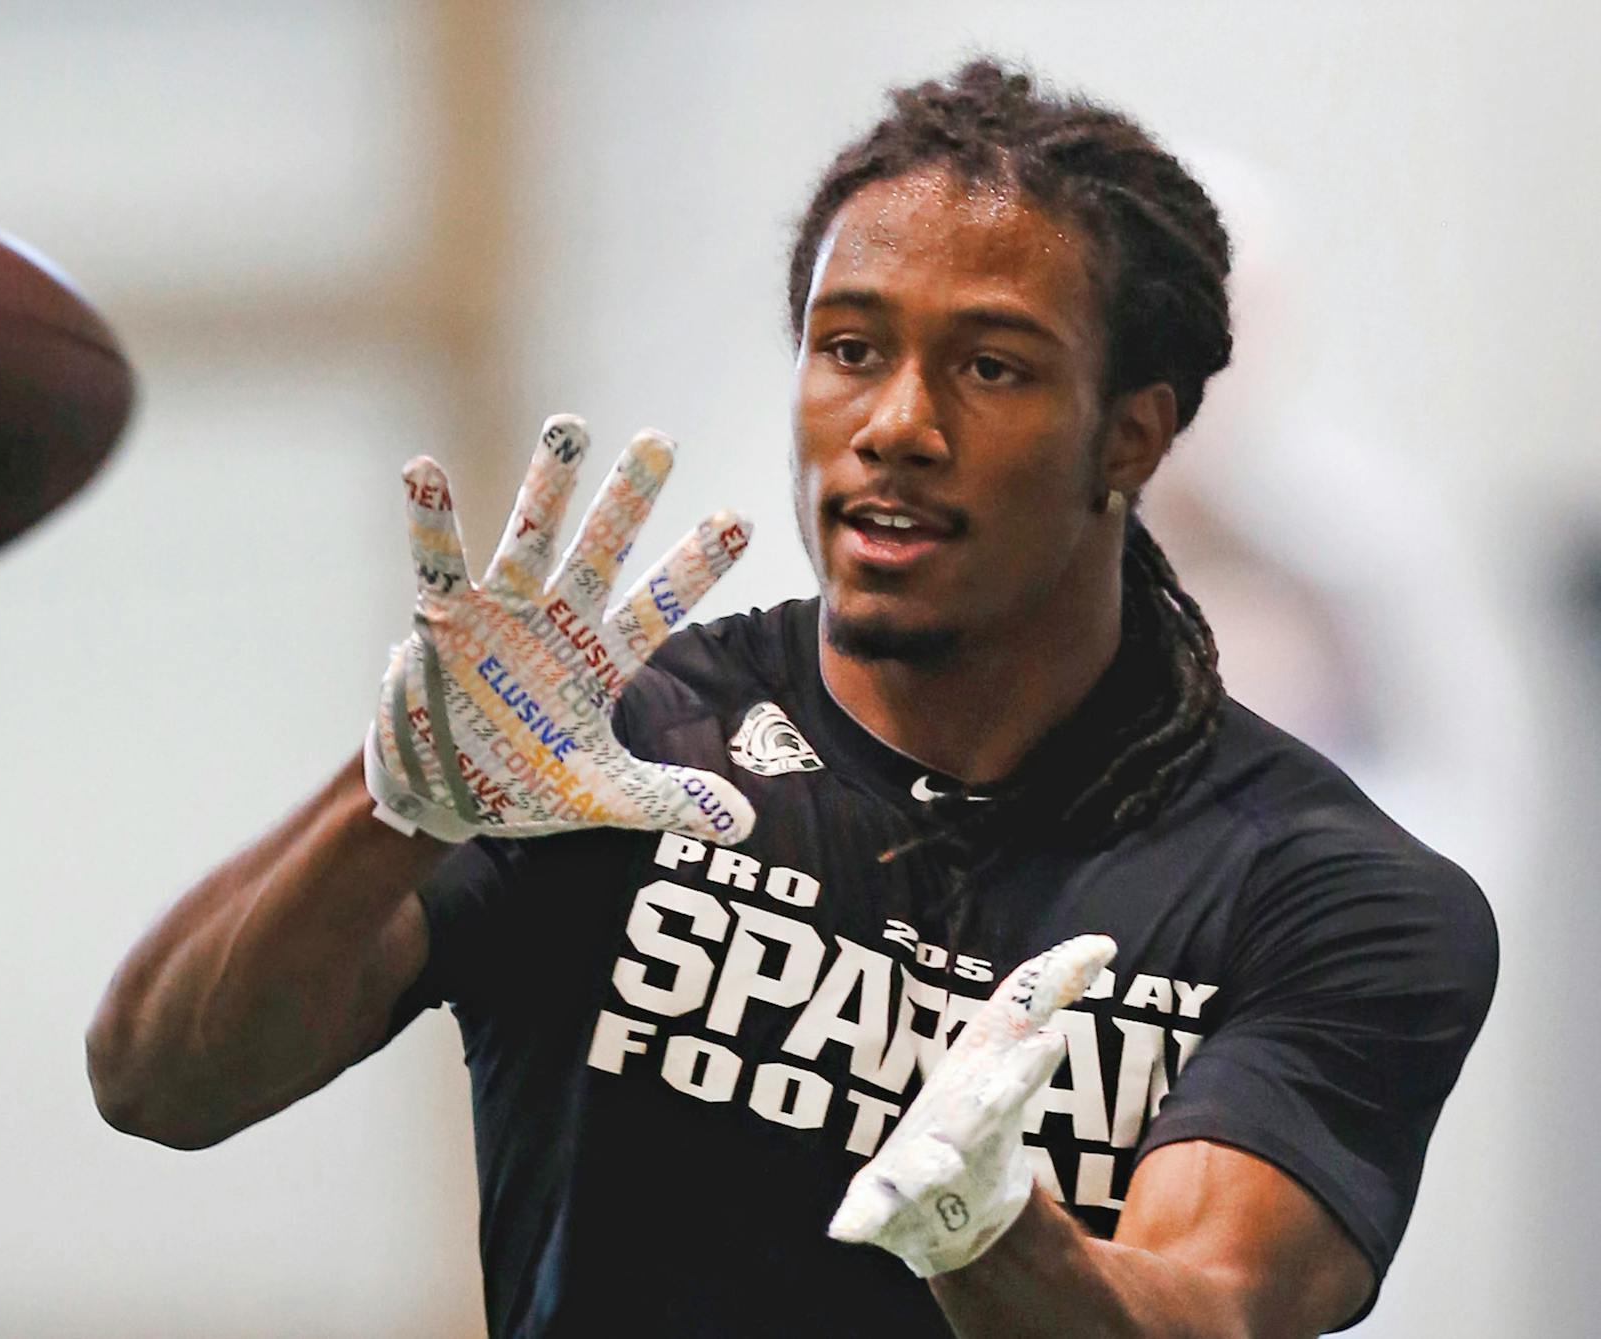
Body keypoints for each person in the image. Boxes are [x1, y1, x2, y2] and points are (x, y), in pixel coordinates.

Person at [85, 61, 1496, 1338]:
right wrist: (390, 812)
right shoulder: (611, 751)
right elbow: (158, 1084)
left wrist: (990, 1235)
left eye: (990, 366)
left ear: (1131, 435)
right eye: (851, 348)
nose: (897, 424)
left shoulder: (1323, 889)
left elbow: (1211, 1310)